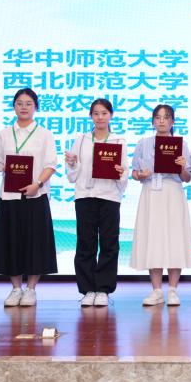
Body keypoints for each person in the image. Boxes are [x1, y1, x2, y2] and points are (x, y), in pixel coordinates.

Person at [0, 88, 58, 307]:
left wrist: (37, 184)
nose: (24, 107)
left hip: (36, 195)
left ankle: (31, 289)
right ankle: (15, 289)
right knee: (11, 242)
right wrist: (3, 167)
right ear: (13, 106)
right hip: (10, 196)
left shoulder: (44, 134)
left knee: (35, 243)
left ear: (36, 107)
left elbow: (51, 165)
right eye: (19, 103)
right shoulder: (4, 134)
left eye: (28, 103)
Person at [65, 98, 128, 307]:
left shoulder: (118, 141)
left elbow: (124, 174)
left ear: (111, 115)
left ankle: (103, 289)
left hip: (109, 197)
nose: (100, 117)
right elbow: (72, 175)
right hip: (85, 196)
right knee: (85, 243)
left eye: (104, 113)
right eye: (96, 113)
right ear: (91, 116)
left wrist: (120, 172)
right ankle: (88, 289)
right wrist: (72, 163)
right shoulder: (82, 139)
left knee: (109, 243)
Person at [129, 104, 191, 306]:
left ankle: (173, 290)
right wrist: (141, 175)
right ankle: (156, 290)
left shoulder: (181, 145)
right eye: (158, 117)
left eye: (166, 117)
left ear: (173, 121)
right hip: (151, 192)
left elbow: (187, 177)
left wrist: (181, 167)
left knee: (175, 239)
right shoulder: (144, 144)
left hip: (172, 192)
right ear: (153, 121)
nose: (162, 121)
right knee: (153, 239)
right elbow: (134, 172)